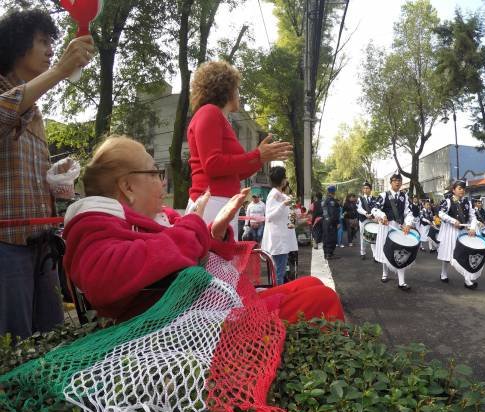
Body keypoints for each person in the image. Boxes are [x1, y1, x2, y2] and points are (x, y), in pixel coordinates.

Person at [62, 136, 344, 323]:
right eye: (154, 173)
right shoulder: (95, 223)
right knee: (322, 298)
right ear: (127, 187)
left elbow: (187, 249)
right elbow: (104, 278)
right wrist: (194, 225)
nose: (163, 183)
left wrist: (216, 232)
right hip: (191, 329)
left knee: (312, 285)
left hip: (207, 312)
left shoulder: (162, 218)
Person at [0, 9, 95, 339]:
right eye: (43, 41)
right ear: (17, 44)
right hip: (6, 246)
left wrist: (53, 177)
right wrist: (60, 70)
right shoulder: (10, 96)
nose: (51, 49)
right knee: (12, 347)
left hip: (42, 245)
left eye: (51, 43)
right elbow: (5, 112)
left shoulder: (36, 108)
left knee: (50, 341)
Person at [186, 60, 292, 226]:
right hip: (211, 202)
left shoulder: (220, 119)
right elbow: (212, 164)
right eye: (237, 89)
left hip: (221, 203)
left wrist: (262, 158)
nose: (239, 94)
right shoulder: (209, 112)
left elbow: (237, 172)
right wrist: (257, 154)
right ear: (227, 90)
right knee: (213, 253)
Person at [371, 173, 414, 291]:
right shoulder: (383, 195)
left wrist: (408, 224)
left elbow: (408, 212)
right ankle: (385, 273)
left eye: (399, 180)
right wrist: (382, 215)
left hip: (399, 228)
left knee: (400, 252)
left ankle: (402, 281)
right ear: (391, 182)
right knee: (386, 251)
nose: (397, 182)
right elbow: (375, 209)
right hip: (386, 227)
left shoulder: (404, 196)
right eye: (395, 180)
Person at [437, 181, 479, 289]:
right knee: (448, 255)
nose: (462, 190)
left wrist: (473, 227)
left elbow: (473, 217)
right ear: (454, 190)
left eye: (463, 189)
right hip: (450, 231)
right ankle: (443, 273)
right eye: (459, 188)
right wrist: (452, 220)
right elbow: (441, 213)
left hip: (463, 231)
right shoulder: (448, 201)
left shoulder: (467, 202)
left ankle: (467, 280)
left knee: (463, 255)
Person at [261, 167, 298, 285]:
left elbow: (289, 215)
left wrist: (291, 207)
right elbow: (270, 216)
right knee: (279, 273)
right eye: (285, 177)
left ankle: (278, 296)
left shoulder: (279, 195)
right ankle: (278, 298)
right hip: (279, 240)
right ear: (282, 180)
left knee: (279, 272)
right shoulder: (274, 195)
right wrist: (284, 204)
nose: (286, 180)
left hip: (282, 239)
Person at [356, 182, 376, 260]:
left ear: (370, 189)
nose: (365, 189)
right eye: (364, 188)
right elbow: (359, 208)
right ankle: (363, 252)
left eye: (367, 188)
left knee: (373, 237)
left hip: (372, 219)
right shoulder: (360, 198)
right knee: (363, 236)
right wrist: (365, 213)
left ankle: (375, 255)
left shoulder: (374, 198)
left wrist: (374, 216)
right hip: (363, 219)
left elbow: (377, 208)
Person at [322, 186, 341, 259]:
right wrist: (335, 222)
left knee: (328, 237)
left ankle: (328, 253)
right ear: (333, 192)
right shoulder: (330, 201)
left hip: (328, 222)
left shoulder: (327, 200)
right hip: (330, 222)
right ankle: (328, 254)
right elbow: (332, 213)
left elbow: (335, 212)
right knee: (330, 238)